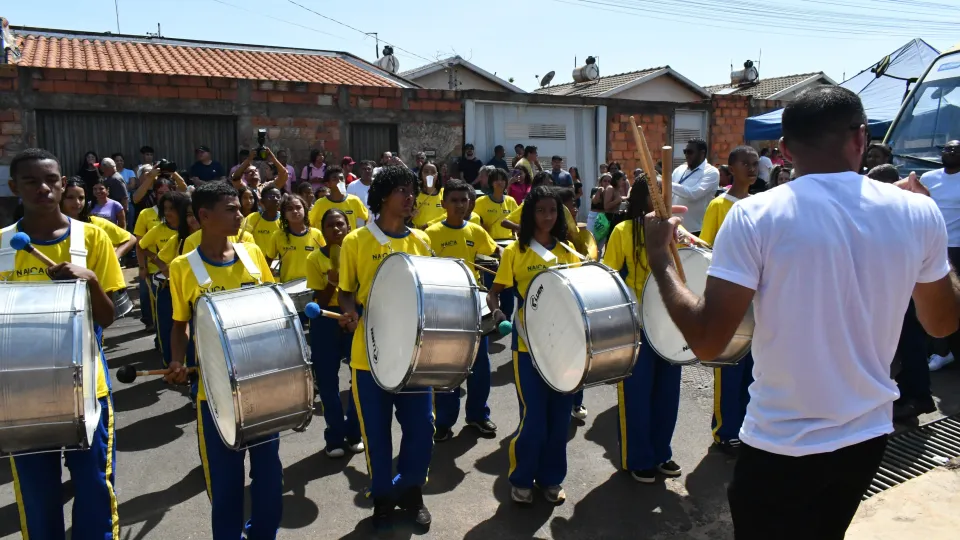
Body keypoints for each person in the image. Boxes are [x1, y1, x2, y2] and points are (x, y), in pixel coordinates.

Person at [642, 86, 959, 539]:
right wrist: (929, 240)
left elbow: (708, 340)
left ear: (785, 150)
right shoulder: (919, 212)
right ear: (861, 138)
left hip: (781, 444)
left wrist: (660, 262)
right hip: (866, 437)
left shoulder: (755, 216)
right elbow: (943, 323)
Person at [3, 148, 125, 539]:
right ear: (13, 187)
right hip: (23, 395)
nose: (44, 188)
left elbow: (108, 318)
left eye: (52, 180)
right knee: (38, 499)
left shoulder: (93, 239)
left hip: (89, 388)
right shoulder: (4, 244)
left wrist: (89, 280)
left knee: (93, 489)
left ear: (63, 182)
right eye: (31, 181)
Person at [165, 181, 282, 540]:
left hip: (261, 384)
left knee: (268, 477)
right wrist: (175, 361)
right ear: (204, 216)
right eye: (231, 209)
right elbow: (179, 325)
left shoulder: (253, 254)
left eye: (239, 207)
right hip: (213, 395)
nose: (240, 214)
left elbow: (273, 310)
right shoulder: (183, 267)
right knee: (227, 482)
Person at [338, 165, 434, 530]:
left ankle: (411, 493)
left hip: (413, 356)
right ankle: (382, 498)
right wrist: (348, 314)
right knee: (376, 435)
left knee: (421, 429)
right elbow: (346, 293)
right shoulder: (356, 242)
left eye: (412, 191)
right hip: (369, 357)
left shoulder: (421, 242)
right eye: (402, 191)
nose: (410, 197)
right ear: (381, 197)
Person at [486, 185, 580, 505]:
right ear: (529, 214)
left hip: (563, 347)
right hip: (527, 346)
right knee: (534, 419)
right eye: (540, 210)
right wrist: (497, 311)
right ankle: (523, 477)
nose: (547, 216)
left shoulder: (568, 253)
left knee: (559, 419)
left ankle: (552, 479)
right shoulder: (516, 251)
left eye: (552, 210)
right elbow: (495, 292)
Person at [599, 180, 682, 483]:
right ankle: (638, 458)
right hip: (637, 327)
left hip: (671, 324)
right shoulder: (623, 231)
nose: (662, 198)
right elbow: (609, 277)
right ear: (641, 197)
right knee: (637, 395)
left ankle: (662, 453)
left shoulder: (675, 229)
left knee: (667, 395)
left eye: (666, 192)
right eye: (655, 192)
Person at [428, 180, 501, 441]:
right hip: (444, 307)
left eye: (465, 200)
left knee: (480, 365)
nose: (460, 205)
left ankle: (478, 416)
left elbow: (495, 253)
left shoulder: (476, 231)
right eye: (455, 200)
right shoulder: (430, 234)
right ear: (444, 203)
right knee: (449, 366)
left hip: (473, 305)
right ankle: (444, 422)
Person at [699, 146, 759, 455]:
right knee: (729, 365)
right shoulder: (719, 205)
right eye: (745, 164)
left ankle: (748, 426)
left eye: (755, 164)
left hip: (757, 299)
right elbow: (707, 250)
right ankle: (725, 430)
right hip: (730, 298)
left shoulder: (761, 204)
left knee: (753, 367)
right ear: (730, 168)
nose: (752, 168)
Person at [305, 208, 364, 458]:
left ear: (349, 227)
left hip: (354, 319)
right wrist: (331, 281)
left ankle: (354, 432)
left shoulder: (359, 254)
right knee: (328, 382)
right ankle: (335, 436)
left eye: (340, 224)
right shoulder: (314, 259)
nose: (336, 229)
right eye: (330, 225)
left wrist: (354, 315)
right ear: (323, 230)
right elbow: (318, 301)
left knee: (359, 378)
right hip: (325, 321)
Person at [919, 140, 960, 371]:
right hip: (933, 246)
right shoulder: (928, 178)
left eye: (956, 149)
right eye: (947, 148)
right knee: (933, 298)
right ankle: (941, 351)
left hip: (957, 247)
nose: (951, 151)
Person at [140, 191, 193, 367]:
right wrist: (157, 266)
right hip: (167, 288)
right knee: (169, 329)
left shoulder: (201, 236)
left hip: (192, 292)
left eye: (173, 209)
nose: (168, 213)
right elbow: (142, 247)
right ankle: (170, 366)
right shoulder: (176, 238)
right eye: (165, 209)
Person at [559, 187, 598, 420]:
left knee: (580, 357)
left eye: (573, 205)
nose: (572, 210)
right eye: (567, 207)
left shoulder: (580, 236)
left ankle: (577, 402)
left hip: (578, 305)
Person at [61, 176, 137, 258]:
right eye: (70, 197)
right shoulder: (53, 226)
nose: (77, 202)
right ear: (60, 198)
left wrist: (113, 257)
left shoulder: (95, 223)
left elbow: (130, 239)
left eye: (81, 198)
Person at [265, 193, 325, 282]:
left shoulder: (316, 234)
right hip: (287, 287)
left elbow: (325, 258)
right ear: (284, 214)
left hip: (313, 286)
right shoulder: (278, 235)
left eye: (298, 207)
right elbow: (268, 261)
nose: (295, 211)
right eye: (290, 209)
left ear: (305, 210)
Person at [670, 138, 719, 234]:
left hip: (695, 230)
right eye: (685, 152)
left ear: (702, 153)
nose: (687, 155)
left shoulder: (711, 172)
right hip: (674, 227)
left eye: (690, 152)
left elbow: (694, 194)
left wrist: (666, 183)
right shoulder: (679, 169)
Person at [308, 165, 370, 232]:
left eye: (341, 178)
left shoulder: (354, 200)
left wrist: (364, 233)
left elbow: (367, 217)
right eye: (335, 179)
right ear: (328, 184)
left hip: (349, 242)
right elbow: (308, 222)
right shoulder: (320, 204)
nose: (339, 181)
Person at [241, 184, 282, 254]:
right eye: (271, 196)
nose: (275, 199)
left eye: (278, 196)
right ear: (262, 201)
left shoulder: (285, 219)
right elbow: (242, 241)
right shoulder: (251, 218)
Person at [412, 162, 444, 229]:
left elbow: (449, 215)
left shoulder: (444, 193)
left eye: (433, 172)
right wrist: (410, 214)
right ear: (421, 174)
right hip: (419, 234)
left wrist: (428, 225)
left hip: (439, 233)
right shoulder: (414, 193)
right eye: (426, 172)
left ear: (437, 175)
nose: (429, 174)